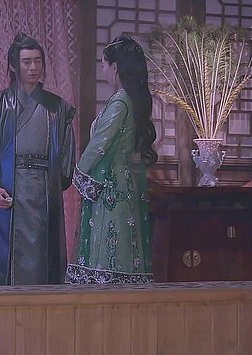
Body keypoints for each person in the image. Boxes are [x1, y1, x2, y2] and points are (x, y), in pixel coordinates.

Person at [0, 33, 77, 285]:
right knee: (4, 263)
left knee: (43, 262)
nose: (33, 67)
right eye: (26, 62)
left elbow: (66, 164)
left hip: (43, 197)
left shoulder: (58, 109)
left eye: (37, 61)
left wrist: (51, 185)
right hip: (7, 194)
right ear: (14, 66)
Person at [66, 36, 158, 284]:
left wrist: (79, 173)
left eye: (103, 65)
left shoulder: (119, 102)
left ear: (114, 67)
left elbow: (99, 144)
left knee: (109, 256)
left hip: (110, 189)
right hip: (124, 187)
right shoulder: (131, 100)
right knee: (124, 251)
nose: (103, 70)